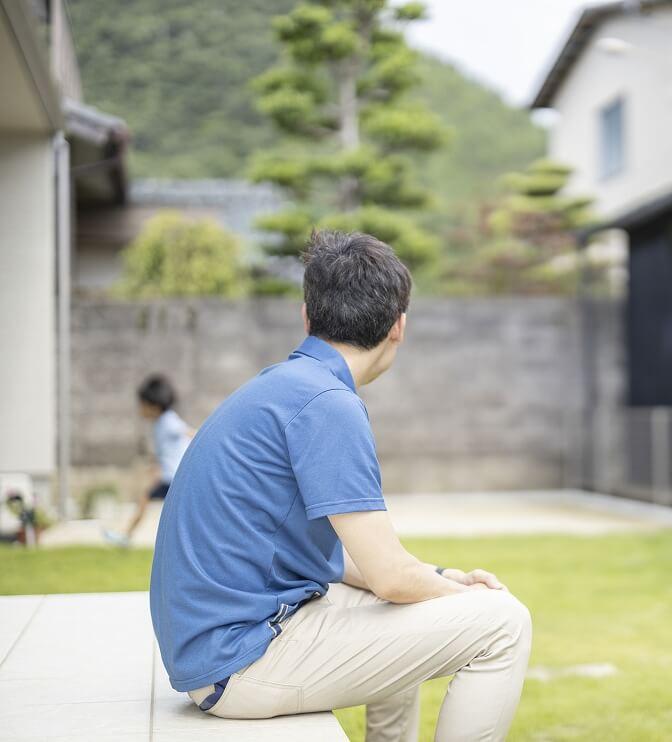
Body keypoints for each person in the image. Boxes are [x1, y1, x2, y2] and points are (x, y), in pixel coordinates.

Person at [150, 231, 531, 742]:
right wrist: (459, 595)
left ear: (307, 316)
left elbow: (369, 568)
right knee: (504, 621)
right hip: (238, 661)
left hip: (216, 648)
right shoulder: (326, 403)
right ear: (399, 326)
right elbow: (390, 576)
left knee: (417, 605)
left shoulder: (286, 387)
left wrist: (446, 582)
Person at [105, 375, 192, 546]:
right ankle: (127, 535)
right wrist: (155, 465)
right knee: (153, 502)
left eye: (142, 405)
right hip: (169, 476)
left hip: (173, 477)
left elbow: (188, 432)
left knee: (151, 501)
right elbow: (163, 450)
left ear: (154, 406)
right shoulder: (159, 423)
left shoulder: (168, 421)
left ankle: (126, 536)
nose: (140, 410)